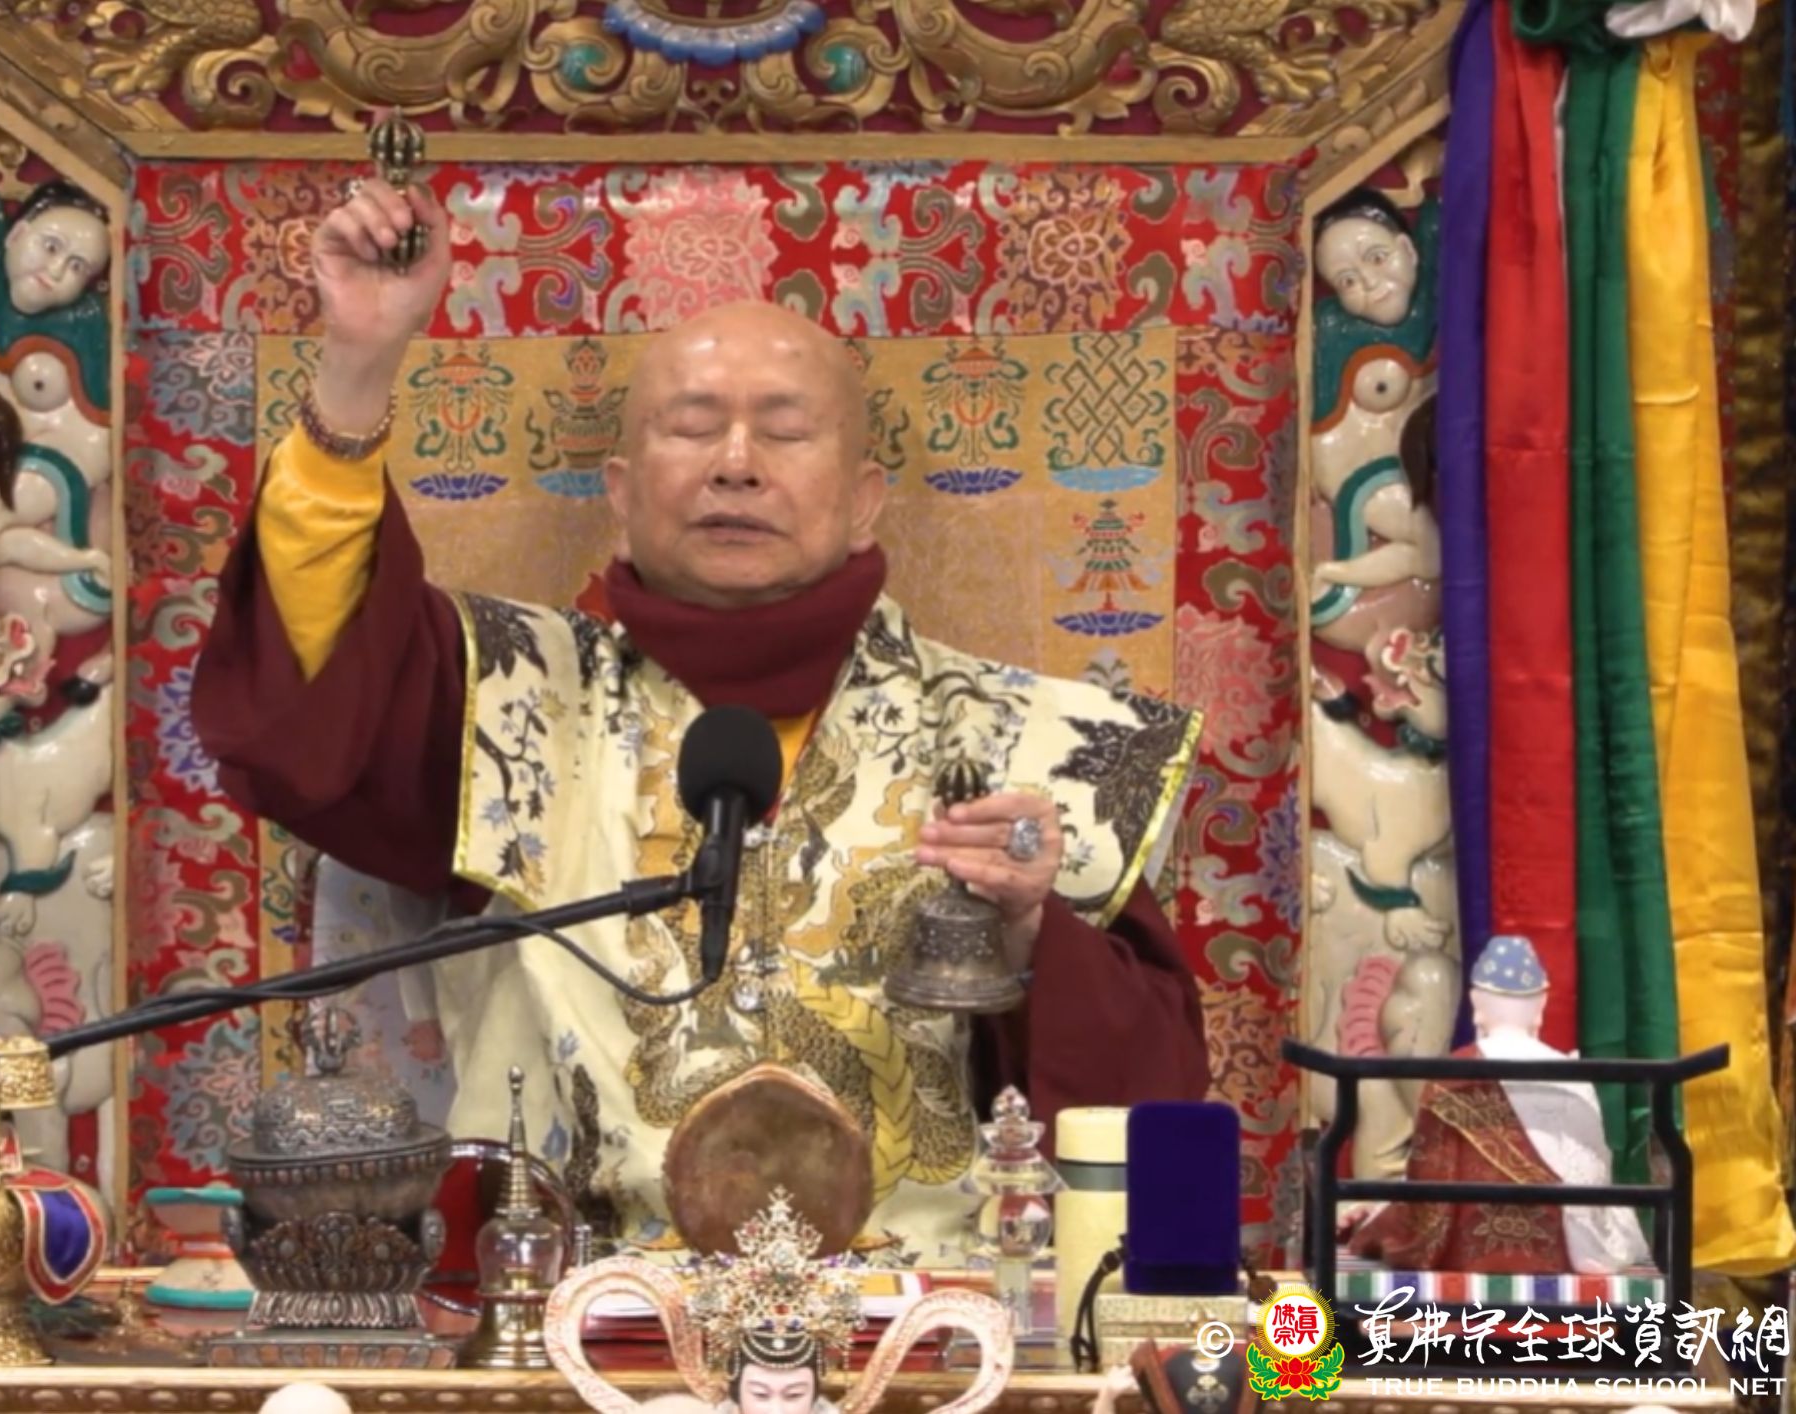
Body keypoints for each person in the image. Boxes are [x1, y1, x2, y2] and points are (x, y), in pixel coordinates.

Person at [192, 179, 1211, 1259]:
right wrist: (358, 366)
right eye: (692, 428)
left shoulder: (1020, 744)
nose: (735, 463)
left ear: (865, 499)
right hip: (571, 1309)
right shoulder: (504, 698)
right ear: (621, 495)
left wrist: (1027, 933)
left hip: (920, 1316)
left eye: (784, 431)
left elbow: (1153, 1111)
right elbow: (306, 705)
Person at [1345, 934, 1651, 1274]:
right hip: (1560, 1252)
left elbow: (1427, 1201)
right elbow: (1593, 1180)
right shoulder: (1574, 1078)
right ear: (1541, 1004)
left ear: (1476, 1003)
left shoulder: (1450, 1077)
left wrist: (1381, 1218)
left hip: (1466, 1255)